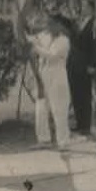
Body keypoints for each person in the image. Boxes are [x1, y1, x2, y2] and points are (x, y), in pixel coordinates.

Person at [26, 13, 73, 151]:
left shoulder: (64, 40)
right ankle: (43, 139)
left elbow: (52, 56)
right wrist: (27, 34)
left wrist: (36, 47)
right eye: (47, 24)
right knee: (40, 108)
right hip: (43, 74)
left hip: (57, 74)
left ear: (59, 25)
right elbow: (30, 38)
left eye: (52, 24)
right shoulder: (44, 36)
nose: (48, 27)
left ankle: (63, 142)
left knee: (59, 109)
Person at [66, 0, 96, 136]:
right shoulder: (80, 21)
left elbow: (94, 46)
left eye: (85, 6)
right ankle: (79, 123)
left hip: (85, 63)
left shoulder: (93, 23)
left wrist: (92, 64)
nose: (82, 8)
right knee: (76, 94)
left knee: (85, 95)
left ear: (91, 8)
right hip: (74, 63)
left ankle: (86, 125)